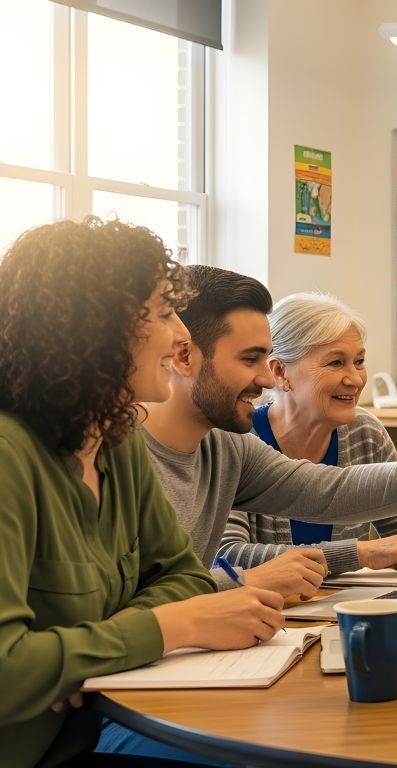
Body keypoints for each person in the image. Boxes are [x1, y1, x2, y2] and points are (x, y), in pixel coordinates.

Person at [0, 218, 284, 766]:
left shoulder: (116, 438)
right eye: (162, 314)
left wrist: (93, 648)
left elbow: (185, 574)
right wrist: (172, 625)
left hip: (87, 731)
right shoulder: (11, 456)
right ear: (92, 329)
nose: (181, 336)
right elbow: (8, 672)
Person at [139, 266, 397, 595]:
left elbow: (332, 489)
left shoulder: (226, 446)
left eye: (359, 361)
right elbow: (146, 599)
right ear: (183, 356)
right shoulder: (131, 453)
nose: (264, 379)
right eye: (250, 359)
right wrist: (248, 580)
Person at [217, 292, 397, 577]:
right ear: (279, 371)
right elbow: (226, 557)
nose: (355, 379)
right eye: (336, 363)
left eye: (358, 361)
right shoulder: (235, 440)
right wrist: (361, 553)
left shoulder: (365, 433)